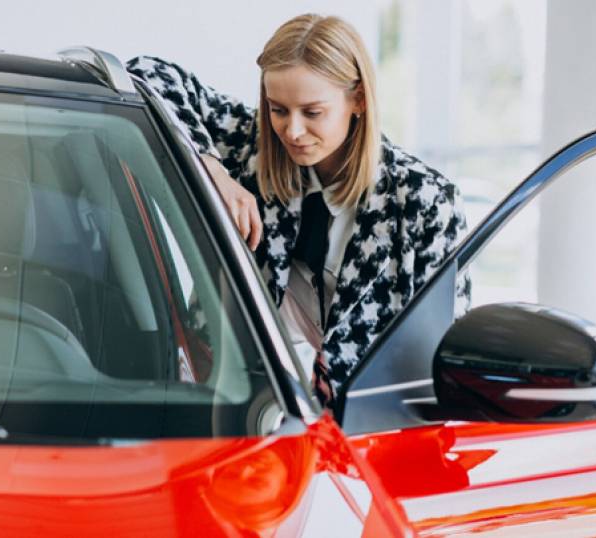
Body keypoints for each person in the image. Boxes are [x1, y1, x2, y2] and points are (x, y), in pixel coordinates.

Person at [127, 13, 470, 406]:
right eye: (277, 109)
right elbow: (144, 74)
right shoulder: (248, 147)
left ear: (358, 99)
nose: (291, 131)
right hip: (241, 409)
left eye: (312, 112)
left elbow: (445, 355)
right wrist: (212, 170)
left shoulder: (425, 203)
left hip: (370, 430)